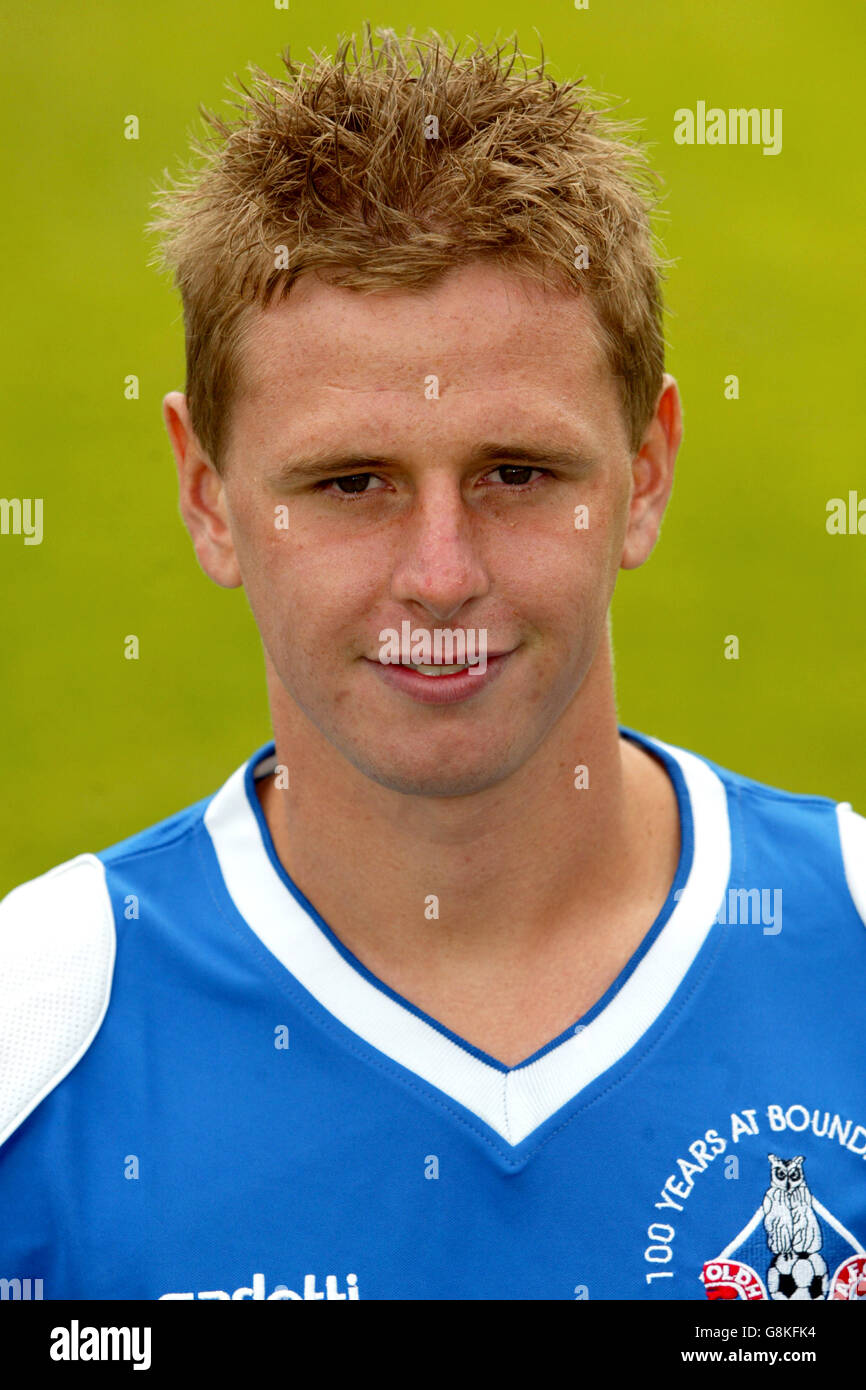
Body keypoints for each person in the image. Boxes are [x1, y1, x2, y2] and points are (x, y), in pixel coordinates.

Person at [1, 26, 864, 1303]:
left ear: (646, 468)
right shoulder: (36, 1040)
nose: (442, 572)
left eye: (517, 472)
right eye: (350, 483)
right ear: (204, 491)